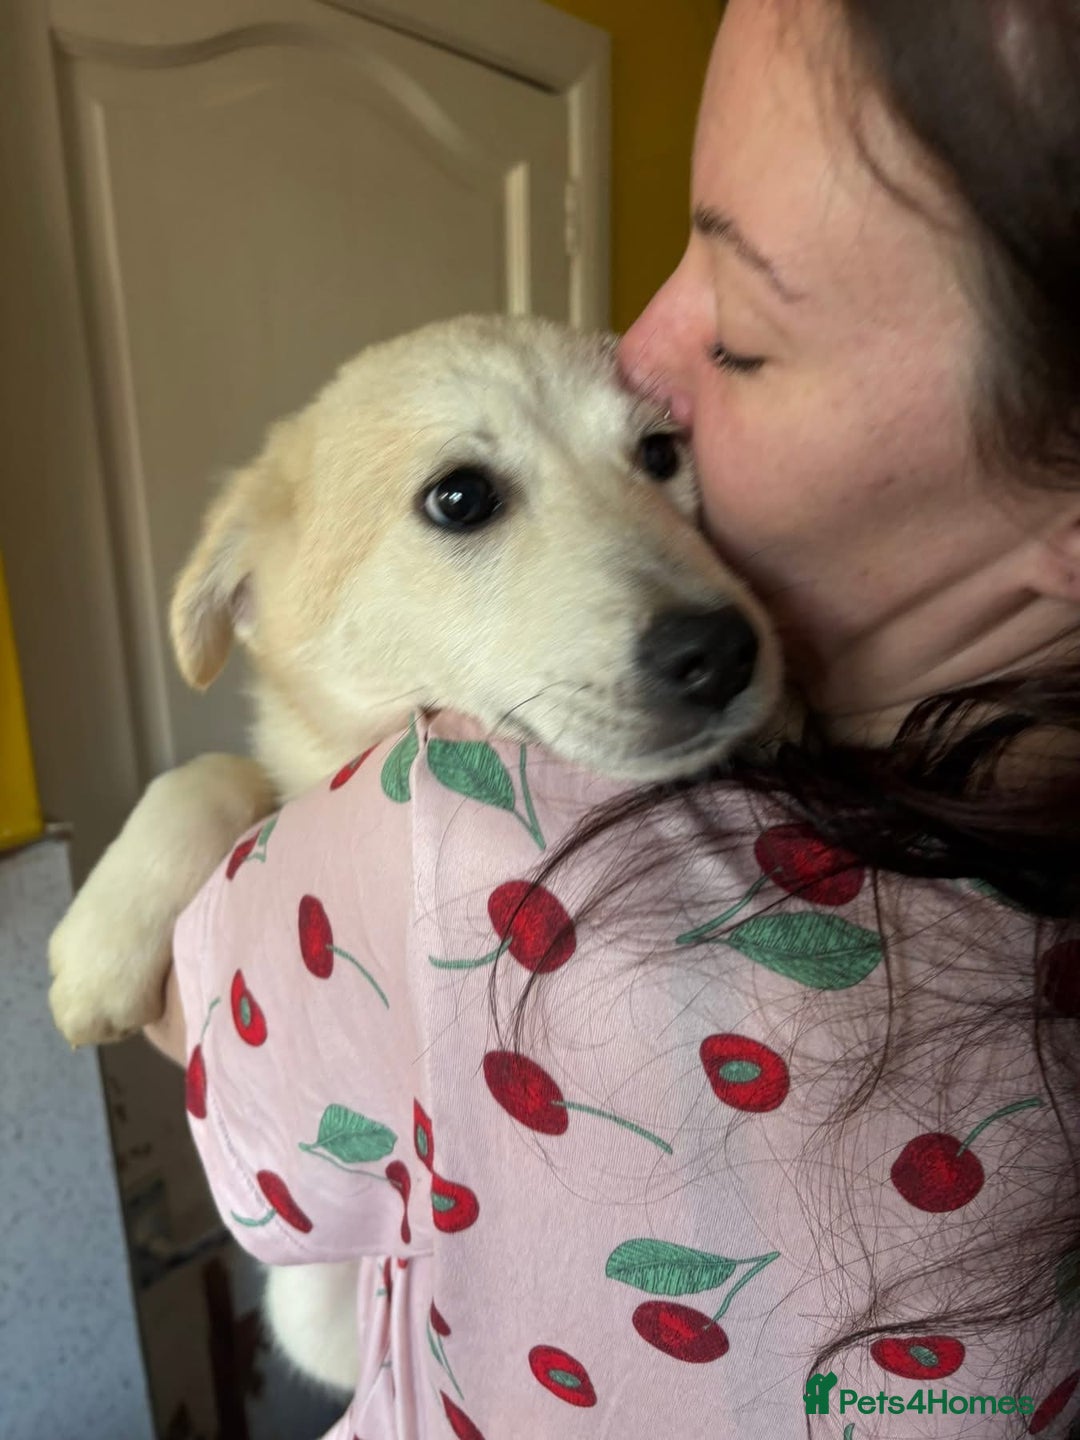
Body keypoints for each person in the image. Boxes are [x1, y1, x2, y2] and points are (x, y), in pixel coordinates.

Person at [146, 2, 1080, 1436]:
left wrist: (202, 843)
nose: (645, 341)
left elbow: (263, 1169)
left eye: (749, 324)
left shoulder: (450, 833)